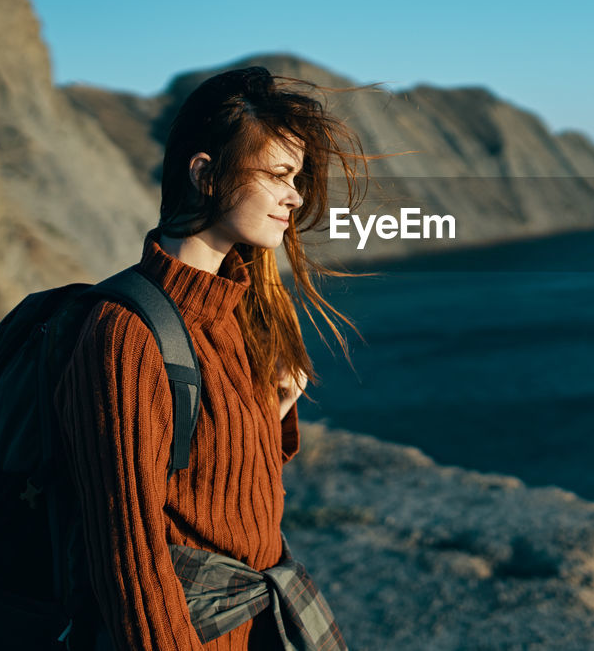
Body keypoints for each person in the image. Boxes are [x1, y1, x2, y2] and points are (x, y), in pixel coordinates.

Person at [53, 66, 369, 650]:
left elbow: (224, 499)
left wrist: (271, 411)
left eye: (295, 177)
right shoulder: (125, 335)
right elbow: (130, 562)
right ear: (205, 174)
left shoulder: (238, 312)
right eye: (278, 175)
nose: (294, 196)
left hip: (258, 628)